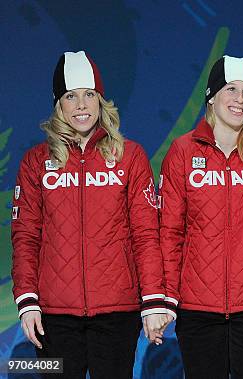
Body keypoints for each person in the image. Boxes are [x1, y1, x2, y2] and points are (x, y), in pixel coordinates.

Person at [11, 51, 168, 378]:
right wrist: (27, 301)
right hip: (53, 316)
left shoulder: (130, 156)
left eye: (88, 95)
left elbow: (146, 235)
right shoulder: (35, 162)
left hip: (116, 313)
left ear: (100, 101)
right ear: (59, 105)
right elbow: (26, 237)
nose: (81, 105)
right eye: (71, 96)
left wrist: (153, 300)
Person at [159, 55, 243, 378]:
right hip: (197, 308)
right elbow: (170, 231)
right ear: (211, 95)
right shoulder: (183, 151)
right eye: (231, 89)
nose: (240, 99)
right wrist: (166, 297)